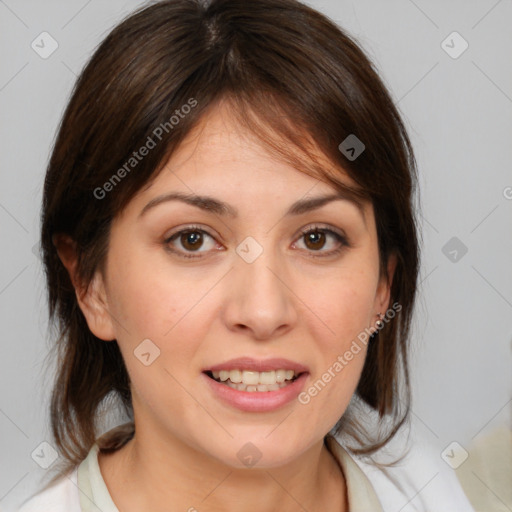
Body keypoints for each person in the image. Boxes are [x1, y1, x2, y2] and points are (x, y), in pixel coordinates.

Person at [18, 0, 474, 510]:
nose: (262, 312)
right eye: (192, 239)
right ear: (90, 284)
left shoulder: (435, 490)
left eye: (318, 238)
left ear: (382, 287)